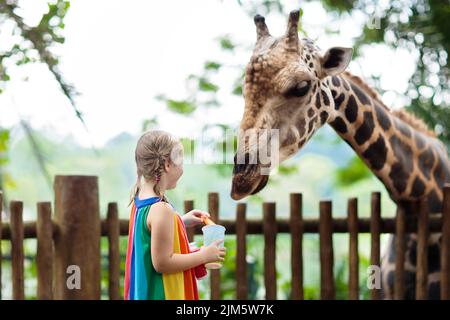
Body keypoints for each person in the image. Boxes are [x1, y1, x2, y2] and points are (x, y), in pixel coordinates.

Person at [124, 130, 226, 300]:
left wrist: (181, 221)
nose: (183, 168)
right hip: (162, 293)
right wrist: (203, 255)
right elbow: (162, 262)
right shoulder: (161, 209)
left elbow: (149, 234)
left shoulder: (141, 198)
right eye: (181, 162)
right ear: (167, 165)